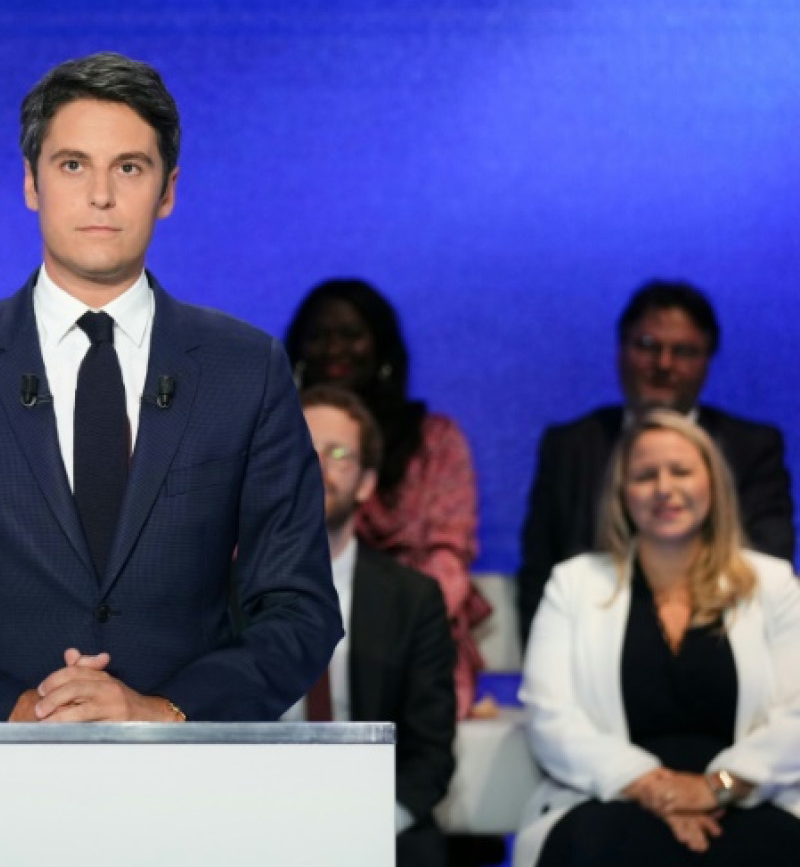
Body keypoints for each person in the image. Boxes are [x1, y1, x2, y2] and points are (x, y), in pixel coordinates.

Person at [0, 52, 341, 722]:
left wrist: (165, 712)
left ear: (168, 191)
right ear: (30, 183)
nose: (100, 195)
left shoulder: (244, 370)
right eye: (73, 165)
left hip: (188, 785)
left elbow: (301, 611)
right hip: (0, 783)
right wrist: (16, 712)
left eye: (128, 168)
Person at [514, 410, 800, 867]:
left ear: (713, 483)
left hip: (751, 801)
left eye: (681, 471)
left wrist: (715, 788)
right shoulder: (573, 584)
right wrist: (652, 787)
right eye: (645, 475)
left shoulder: (774, 584)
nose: (665, 488)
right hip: (608, 799)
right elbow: (551, 718)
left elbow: (796, 720)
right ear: (622, 493)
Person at [519, 280, 794, 646]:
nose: (663, 364)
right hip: (591, 647)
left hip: (718, 644)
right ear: (620, 351)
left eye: (683, 351)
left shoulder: (752, 448)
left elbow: (763, 565)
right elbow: (539, 570)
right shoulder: (570, 446)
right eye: (648, 346)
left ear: (708, 361)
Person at [285, 278, 489, 719]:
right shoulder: (273, 437)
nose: (334, 348)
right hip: (288, 620)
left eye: (351, 335)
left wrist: (386, 624)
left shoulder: (435, 441)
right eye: (319, 335)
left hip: (411, 630)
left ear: (380, 347)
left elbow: (448, 559)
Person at [287, 384, 456, 867]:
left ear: (365, 482)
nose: (315, 465)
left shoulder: (412, 599)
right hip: (254, 809)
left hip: (379, 814)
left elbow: (430, 754)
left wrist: (369, 822)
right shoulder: (218, 592)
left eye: (337, 454)